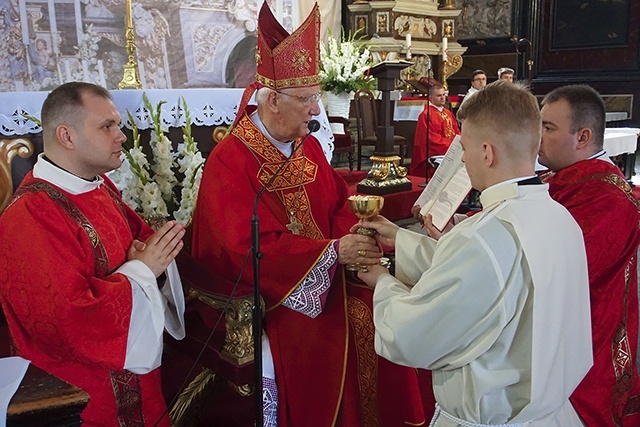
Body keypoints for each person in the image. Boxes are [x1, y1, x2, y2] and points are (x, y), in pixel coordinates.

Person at [191, 3, 427, 427]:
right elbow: (240, 249)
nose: (316, 111)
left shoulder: (307, 145)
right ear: (272, 99)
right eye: (306, 99)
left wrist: (357, 240)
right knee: (338, 330)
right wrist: (334, 252)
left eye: (315, 97)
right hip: (271, 296)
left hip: (327, 271)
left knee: (388, 305)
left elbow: (337, 206)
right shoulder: (231, 161)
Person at [356, 80, 593, 426]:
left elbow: (412, 334)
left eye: (464, 148)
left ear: (487, 152)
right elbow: (486, 280)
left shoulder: (485, 236)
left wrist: (381, 281)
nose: (462, 159)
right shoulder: (559, 217)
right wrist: (400, 238)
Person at [0, 82, 186, 426]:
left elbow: (141, 245)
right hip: (82, 396)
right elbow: (67, 319)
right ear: (67, 136)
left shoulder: (98, 187)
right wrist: (143, 269)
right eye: (107, 126)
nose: (121, 136)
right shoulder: (31, 216)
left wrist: (150, 258)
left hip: (136, 383)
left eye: (118, 125)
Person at [539, 84, 640, 427]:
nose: (536, 136)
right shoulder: (561, 180)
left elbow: (560, 272)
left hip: (587, 353)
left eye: (548, 128)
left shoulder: (608, 199)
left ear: (582, 137)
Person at [409, 80, 460, 179]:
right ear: (430, 98)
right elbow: (430, 139)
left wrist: (460, 142)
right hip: (438, 152)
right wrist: (451, 145)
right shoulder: (426, 115)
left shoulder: (448, 113)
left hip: (451, 148)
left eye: (443, 95)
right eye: (439, 95)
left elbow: (456, 131)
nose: (442, 98)